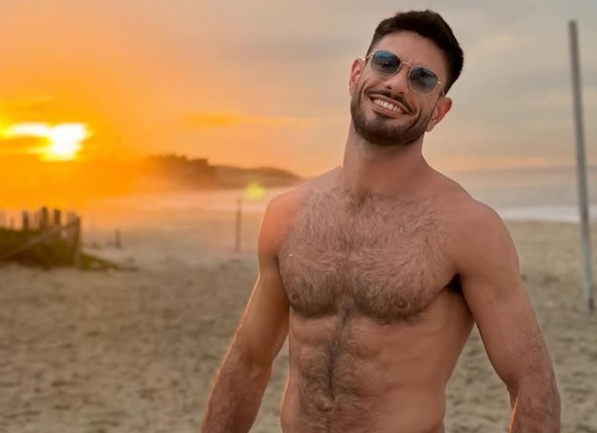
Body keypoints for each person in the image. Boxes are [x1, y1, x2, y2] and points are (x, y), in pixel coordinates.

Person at [200, 9, 561, 433]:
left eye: (422, 78)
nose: (396, 84)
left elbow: (532, 384)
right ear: (357, 74)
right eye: (386, 63)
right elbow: (248, 362)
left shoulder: (466, 226)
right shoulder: (288, 214)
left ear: (439, 111)